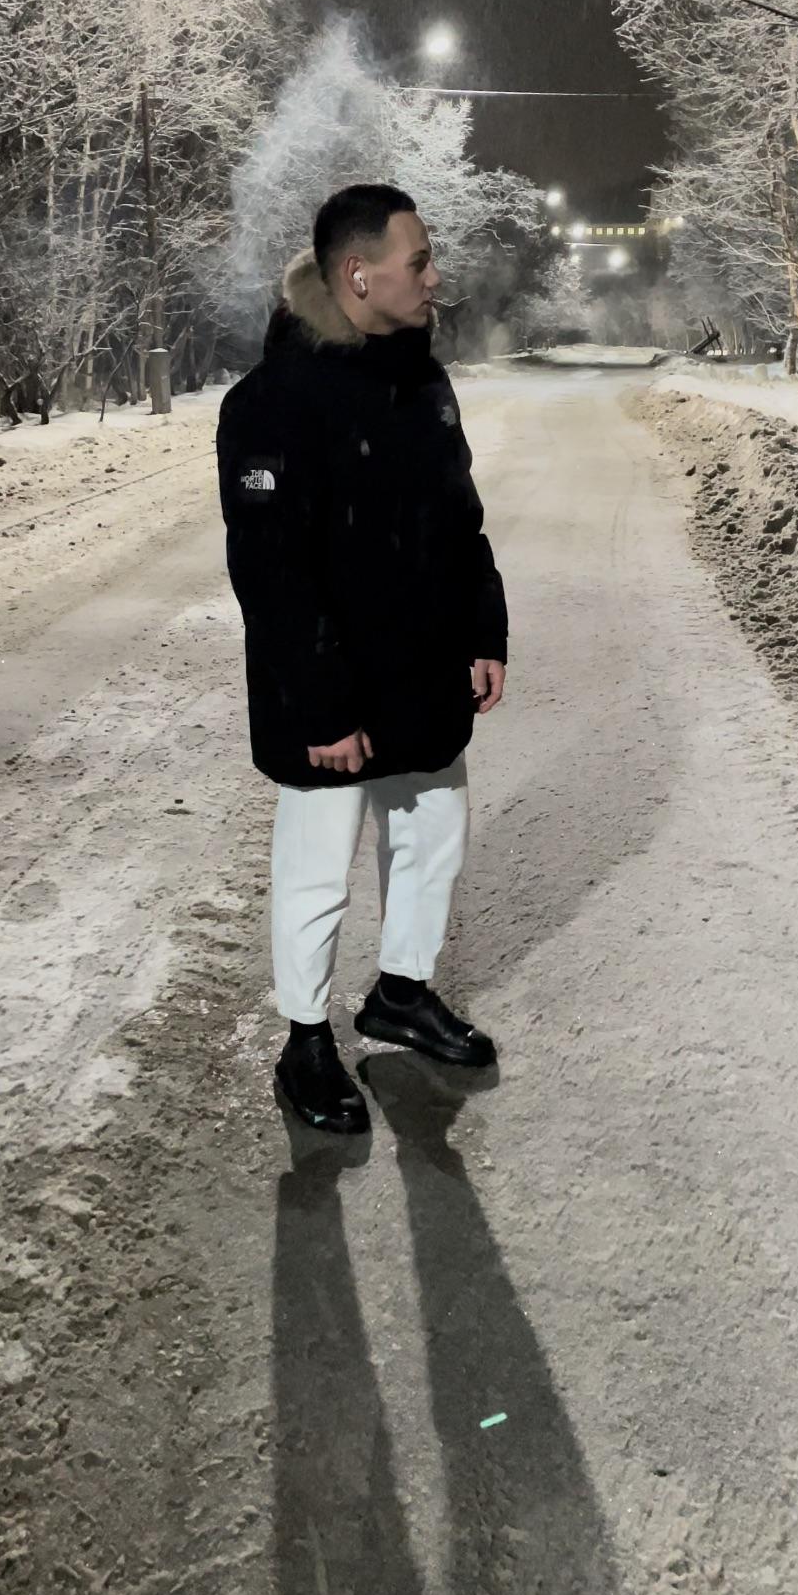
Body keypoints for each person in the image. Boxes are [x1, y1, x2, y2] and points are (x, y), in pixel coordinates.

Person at [216, 183, 508, 1134]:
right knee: (317, 867)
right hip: (330, 691)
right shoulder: (272, 403)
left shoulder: (422, 382)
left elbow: (460, 520)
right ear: (357, 274)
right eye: (417, 262)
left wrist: (485, 632)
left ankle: (400, 993)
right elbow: (272, 576)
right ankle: (305, 1040)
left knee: (433, 834)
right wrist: (321, 707)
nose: (434, 277)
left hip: (422, 673)